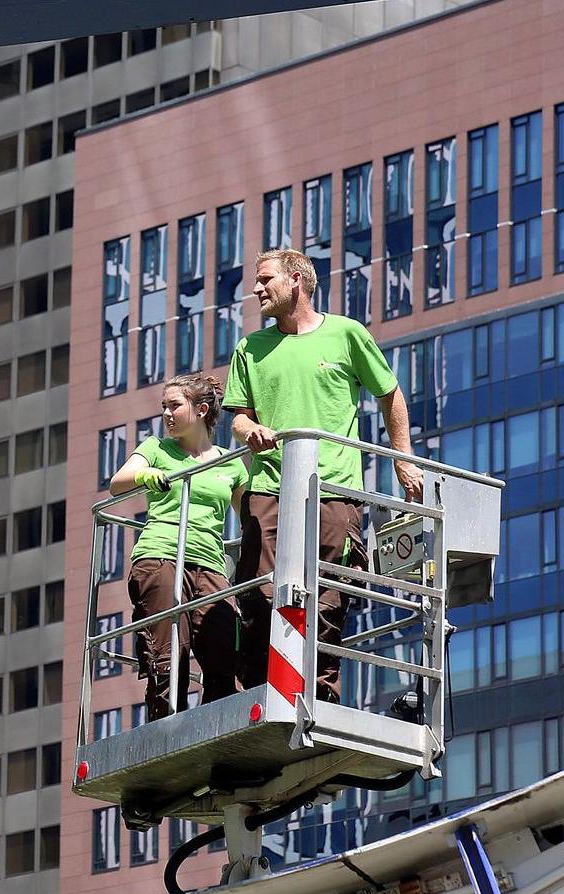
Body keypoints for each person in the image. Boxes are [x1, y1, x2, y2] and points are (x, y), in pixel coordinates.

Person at [224, 249, 423, 704]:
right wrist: (249, 429)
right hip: (270, 488)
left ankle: (319, 697)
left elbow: (390, 395)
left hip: (333, 489)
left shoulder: (346, 334)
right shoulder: (250, 349)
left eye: (264, 279)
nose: (256, 289)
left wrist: (402, 459)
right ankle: (261, 694)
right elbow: (237, 417)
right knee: (259, 595)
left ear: (296, 280)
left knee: (331, 595)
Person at [110, 373, 248, 721]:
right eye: (164, 407)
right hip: (161, 556)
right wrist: (143, 476)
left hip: (209, 564)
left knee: (223, 653)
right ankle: (165, 730)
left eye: (175, 406)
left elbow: (250, 515)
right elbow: (117, 484)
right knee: (168, 658)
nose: (167, 414)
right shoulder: (157, 449)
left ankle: (216, 729)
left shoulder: (227, 461)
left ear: (201, 409)